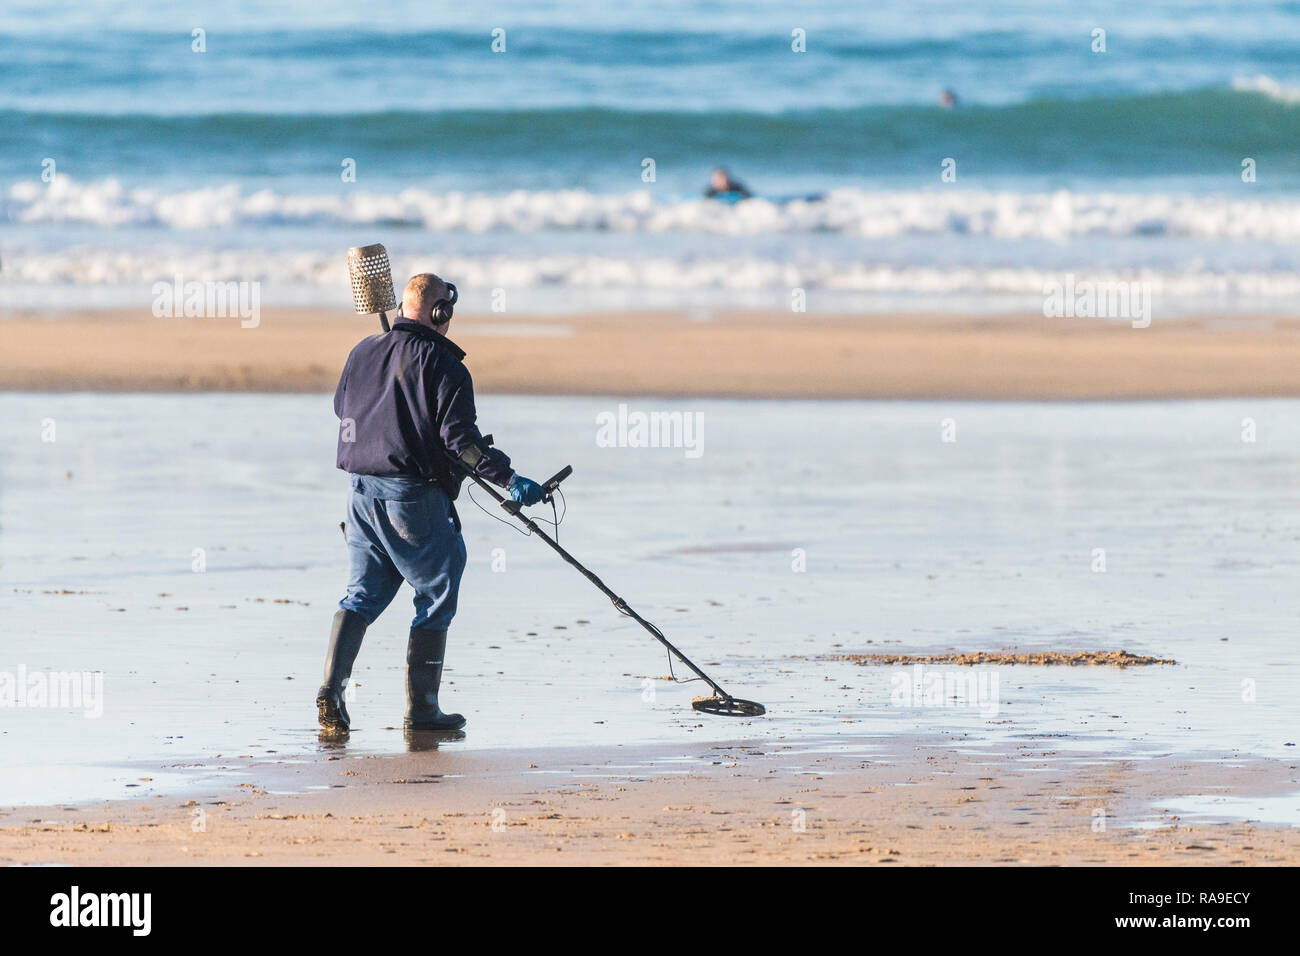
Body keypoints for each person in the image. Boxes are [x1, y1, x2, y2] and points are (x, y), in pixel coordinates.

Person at [316, 273, 545, 734]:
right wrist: (509, 479)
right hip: (409, 499)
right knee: (438, 588)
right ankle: (423, 712)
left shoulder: (361, 352)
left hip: (359, 497)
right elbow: (461, 442)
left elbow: (343, 411)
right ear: (441, 313)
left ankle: (330, 692)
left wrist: (396, 416)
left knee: (361, 596)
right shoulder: (446, 365)